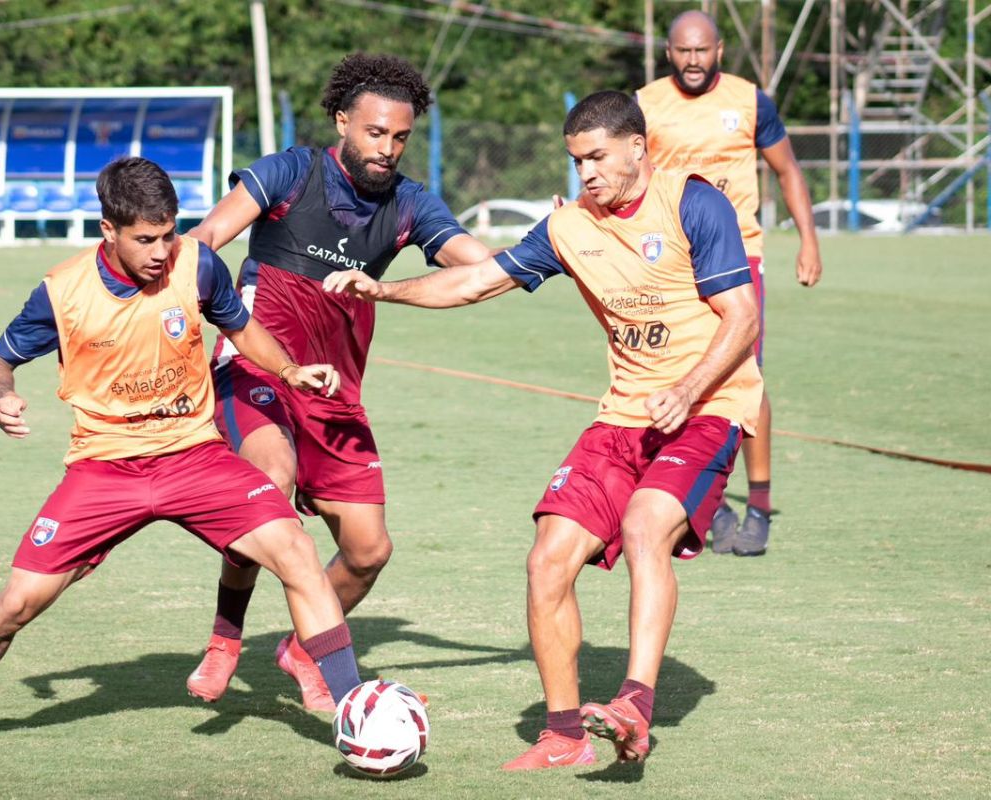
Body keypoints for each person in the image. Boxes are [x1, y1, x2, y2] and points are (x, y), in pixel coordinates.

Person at [0, 157, 362, 754]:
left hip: (194, 455)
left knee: (298, 552)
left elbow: (240, 327)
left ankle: (357, 712)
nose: (161, 251)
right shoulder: (62, 292)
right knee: (14, 606)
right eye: (145, 239)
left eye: (168, 234)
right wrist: (3, 396)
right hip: (105, 468)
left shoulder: (197, 265)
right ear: (108, 230)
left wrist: (290, 370)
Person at [322, 91, 762, 770]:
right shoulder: (568, 227)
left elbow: (742, 315)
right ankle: (563, 736)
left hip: (708, 408)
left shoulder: (693, 204)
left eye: (597, 157)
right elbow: (474, 282)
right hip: (622, 416)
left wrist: (686, 389)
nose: (586, 173)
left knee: (645, 526)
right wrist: (386, 289)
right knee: (547, 559)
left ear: (637, 147)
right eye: (576, 161)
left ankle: (635, 706)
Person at [183, 53, 491, 712]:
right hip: (257, 369)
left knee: (369, 550)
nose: (388, 148)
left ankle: (301, 651)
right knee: (269, 482)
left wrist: (556, 241)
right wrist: (170, 298)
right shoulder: (290, 172)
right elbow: (207, 237)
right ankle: (225, 638)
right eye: (376, 132)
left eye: (400, 137)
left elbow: (481, 266)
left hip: (334, 394)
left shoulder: (410, 203)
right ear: (343, 121)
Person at [636, 9, 822, 556]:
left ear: (719, 50)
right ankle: (710, 503)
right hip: (671, 260)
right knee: (674, 377)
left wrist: (809, 240)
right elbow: (624, 174)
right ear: (669, 53)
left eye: (702, 50)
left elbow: (787, 169)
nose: (693, 60)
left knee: (745, 377)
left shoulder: (750, 101)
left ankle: (759, 505)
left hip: (740, 256)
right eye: (683, 51)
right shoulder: (645, 105)